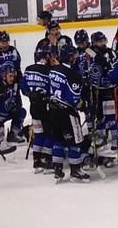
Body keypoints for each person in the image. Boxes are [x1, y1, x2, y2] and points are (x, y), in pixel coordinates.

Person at [49, 45, 89, 183]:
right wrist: (85, 107)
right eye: (74, 55)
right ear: (70, 57)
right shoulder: (73, 75)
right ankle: (75, 170)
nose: (76, 57)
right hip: (67, 113)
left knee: (58, 140)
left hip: (53, 110)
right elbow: (75, 100)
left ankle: (57, 169)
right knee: (75, 142)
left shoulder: (53, 71)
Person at [21, 42, 54, 173]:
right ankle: (46, 161)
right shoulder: (49, 71)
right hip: (45, 107)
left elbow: (24, 89)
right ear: (46, 56)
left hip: (33, 107)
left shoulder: (28, 69)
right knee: (49, 133)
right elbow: (52, 90)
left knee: (39, 134)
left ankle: (36, 162)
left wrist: (31, 94)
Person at [89, 31, 118, 152]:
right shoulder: (90, 52)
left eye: (102, 40)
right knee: (98, 114)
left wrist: (106, 66)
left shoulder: (111, 52)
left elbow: (114, 67)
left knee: (110, 114)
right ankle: (101, 136)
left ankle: (115, 137)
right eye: (98, 41)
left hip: (109, 88)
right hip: (96, 89)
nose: (101, 43)